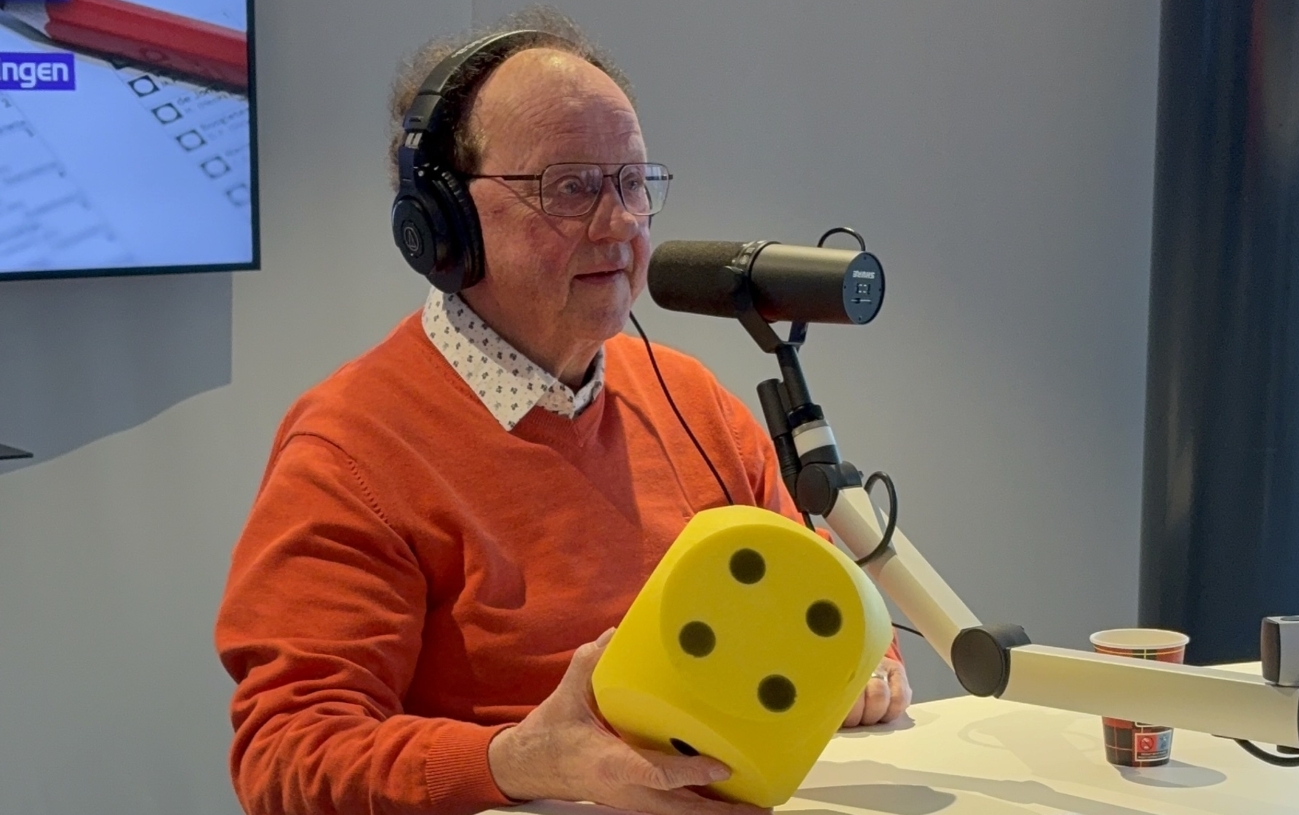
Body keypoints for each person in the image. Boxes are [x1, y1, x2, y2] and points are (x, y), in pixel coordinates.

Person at [214, 8, 910, 815]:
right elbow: (288, 757)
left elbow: (831, 604)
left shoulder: (693, 401)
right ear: (444, 224)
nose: (619, 225)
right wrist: (521, 761)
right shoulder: (349, 448)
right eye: (571, 187)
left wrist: (869, 669)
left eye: (632, 184)